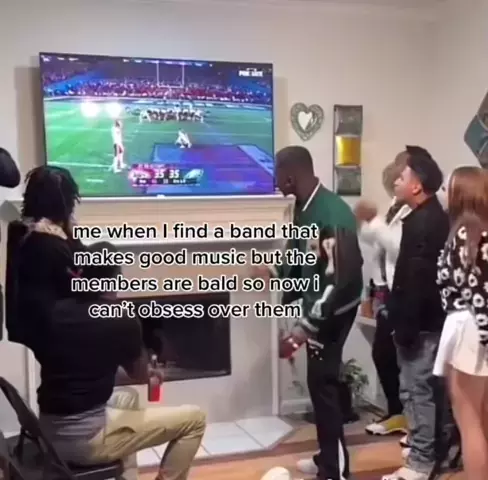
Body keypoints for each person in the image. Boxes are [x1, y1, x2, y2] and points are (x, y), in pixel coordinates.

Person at [37, 241, 206, 480]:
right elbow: (140, 375)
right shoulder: (120, 319)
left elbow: (79, 367)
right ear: (115, 279)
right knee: (195, 419)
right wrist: (152, 373)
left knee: (128, 397)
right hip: (85, 442)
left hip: (47, 430)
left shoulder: (55, 311)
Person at [255, 146, 363, 480]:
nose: (274, 180)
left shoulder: (331, 214)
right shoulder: (305, 206)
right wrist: (274, 271)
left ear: (290, 176)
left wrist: (302, 330)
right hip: (323, 306)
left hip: (335, 311)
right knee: (318, 385)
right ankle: (327, 457)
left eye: (276, 173)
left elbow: (337, 280)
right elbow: (299, 251)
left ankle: (335, 469)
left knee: (324, 387)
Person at [369, 146, 450, 480]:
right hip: (428, 322)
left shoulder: (423, 223)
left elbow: (417, 281)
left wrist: (404, 327)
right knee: (431, 392)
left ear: (416, 185)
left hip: (419, 325)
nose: (396, 182)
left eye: (401, 177)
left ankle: (420, 462)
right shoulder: (426, 217)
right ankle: (435, 453)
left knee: (417, 393)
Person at [436, 166, 488, 480]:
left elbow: (476, 293)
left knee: (468, 422)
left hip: (470, 328)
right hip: (478, 327)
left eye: (447, 189)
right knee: (481, 419)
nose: (442, 194)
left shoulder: (466, 234)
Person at [355, 158, 411, 438]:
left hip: (401, 291)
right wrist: (365, 223)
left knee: (399, 357)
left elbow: (399, 247)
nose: (396, 183)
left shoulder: (417, 211)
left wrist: (374, 223)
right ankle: (397, 412)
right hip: (383, 290)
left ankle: (409, 418)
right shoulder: (394, 205)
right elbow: (378, 241)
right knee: (383, 353)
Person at [6, 166, 86, 350]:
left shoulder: (19, 231)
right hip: (52, 333)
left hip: (28, 329)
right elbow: (83, 282)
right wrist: (74, 237)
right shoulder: (52, 244)